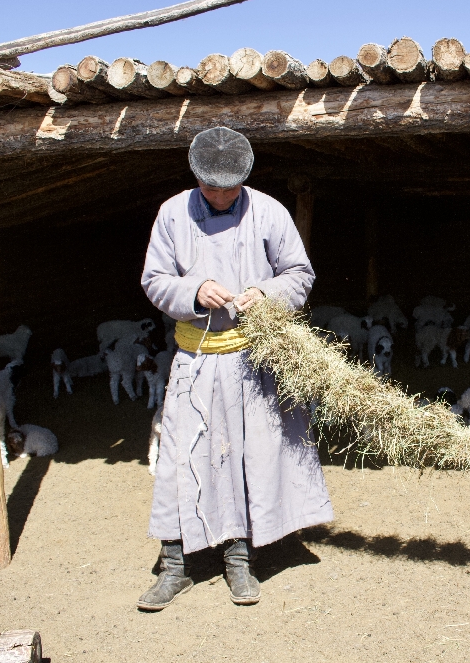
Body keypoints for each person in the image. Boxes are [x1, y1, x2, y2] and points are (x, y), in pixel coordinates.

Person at [137, 127, 333, 609]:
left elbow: (299, 274)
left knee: (250, 457)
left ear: (244, 179)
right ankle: (175, 566)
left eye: (230, 187)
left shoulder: (268, 211)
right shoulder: (171, 214)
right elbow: (154, 279)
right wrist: (194, 290)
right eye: (212, 187)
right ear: (196, 178)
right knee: (184, 458)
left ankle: (240, 562)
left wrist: (265, 295)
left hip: (253, 360)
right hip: (196, 359)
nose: (221, 195)